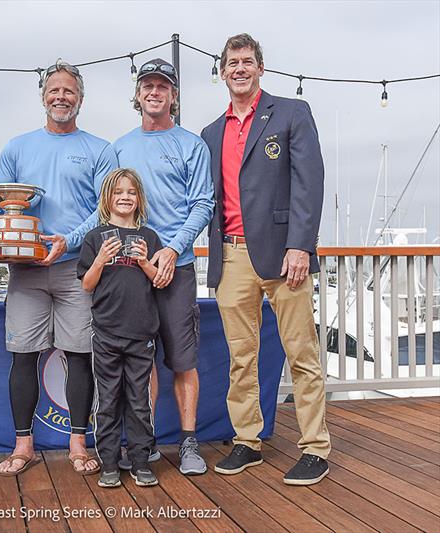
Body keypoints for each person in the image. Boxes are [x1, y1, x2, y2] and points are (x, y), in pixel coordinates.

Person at [0, 60, 118, 476]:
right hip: (26, 272)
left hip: (78, 271)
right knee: (23, 357)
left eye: (69, 91)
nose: (61, 97)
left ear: (80, 99)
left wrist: (68, 241)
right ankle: (23, 446)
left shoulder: (100, 149)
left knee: (79, 356)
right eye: (54, 90)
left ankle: (78, 445)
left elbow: (104, 210)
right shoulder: (18, 147)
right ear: (43, 97)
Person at [201, 33, 330, 485]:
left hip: (283, 254)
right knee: (242, 356)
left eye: (247, 61)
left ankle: (315, 447)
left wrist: (301, 244)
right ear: (222, 72)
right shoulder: (211, 132)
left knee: (302, 353)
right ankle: (248, 440)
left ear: (260, 68)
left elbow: (309, 183)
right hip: (231, 256)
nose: (239, 68)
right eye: (232, 62)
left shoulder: (291, 113)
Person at [112, 58, 215, 476]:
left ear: (173, 95)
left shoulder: (192, 145)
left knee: (182, 361)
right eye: (147, 86)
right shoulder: (119, 147)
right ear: (137, 96)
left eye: (162, 86)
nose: (154, 92)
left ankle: (189, 443)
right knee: (141, 363)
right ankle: (145, 442)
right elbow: (103, 207)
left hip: (177, 268)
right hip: (130, 271)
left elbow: (203, 204)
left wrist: (172, 249)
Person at [78, 168, 162, 488]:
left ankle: (141, 460)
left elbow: (157, 280)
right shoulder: (95, 237)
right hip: (106, 333)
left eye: (130, 192)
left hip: (141, 333)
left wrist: (144, 261)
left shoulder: (150, 237)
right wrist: (100, 259)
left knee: (140, 401)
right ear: (107, 199)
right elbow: (87, 284)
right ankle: (110, 463)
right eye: (118, 192)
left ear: (138, 199)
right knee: (109, 400)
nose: (124, 197)